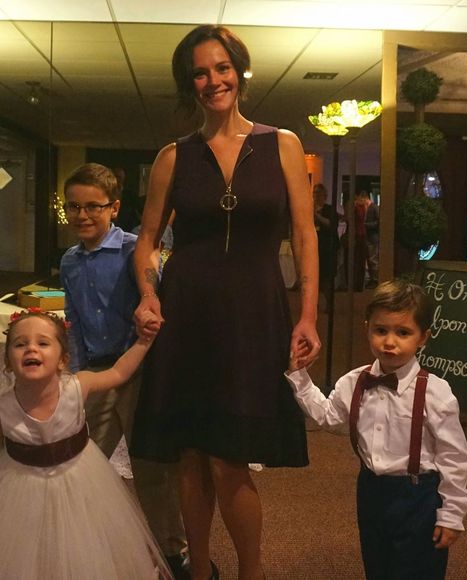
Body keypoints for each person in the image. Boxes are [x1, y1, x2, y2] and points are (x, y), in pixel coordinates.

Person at [130, 24, 321, 580]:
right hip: (187, 313)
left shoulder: (282, 144)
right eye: (200, 73)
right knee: (191, 454)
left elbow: (304, 235)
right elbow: (146, 239)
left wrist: (308, 314)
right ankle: (200, 569)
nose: (213, 80)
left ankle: (250, 572)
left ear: (239, 71)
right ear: (188, 84)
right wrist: (148, 292)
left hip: (254, 313)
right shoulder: (174, 156)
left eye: (222, 68)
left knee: (229, 456)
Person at [0, 308, 170, 579]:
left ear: (63, 360)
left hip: (79, 483)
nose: (31, 348)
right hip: (21, 490)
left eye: (43, 343)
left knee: (82, 548)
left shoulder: (77, 387)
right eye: (20, 344)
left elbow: (118, 373)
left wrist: (143, 341)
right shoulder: (2, 405)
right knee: (25, 554)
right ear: (7, 362)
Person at [286, 280, 467, 580]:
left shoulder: (436, 393)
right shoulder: (354, 382)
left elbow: (455, 459)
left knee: (418, 571)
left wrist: (451, 515)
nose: (389, 342)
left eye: (403, 333)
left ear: (423, 337)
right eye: (381, 330)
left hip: (418, 498)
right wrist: (300, 376)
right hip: (371, 491)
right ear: (367, 328)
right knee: (377, 564)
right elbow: (328, 416)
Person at [59, 163, 188, 578]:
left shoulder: (136, 251)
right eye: (73, 206)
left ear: (113, 207)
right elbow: (74, 321)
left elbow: (159, 304)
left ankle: (173, 553)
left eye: (92, 207)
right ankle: (83, 547)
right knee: (81, 465)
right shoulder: (69, 261)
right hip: (96, 375)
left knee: (152, 471)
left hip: (140, 374)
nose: (82, 215)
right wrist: (76, 376)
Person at [313, 183, 339, 308]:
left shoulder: (330, 209)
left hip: (328, 248)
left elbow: (331, 225)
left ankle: (329, 303)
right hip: (314, 248)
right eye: (314, 193)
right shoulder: (310, 209)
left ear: (325, 196)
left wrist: (317, 216)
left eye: (318, 193)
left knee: (326, 278)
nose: (316, 196)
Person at [353, 190, 379, 290]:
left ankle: (375, 279)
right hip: (366, 237)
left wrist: (366, 225)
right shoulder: (366, 208)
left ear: (365, 198)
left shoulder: (374, 207)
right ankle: (372, 279)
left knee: (373, 259)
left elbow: (378, 222)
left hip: (372, 237)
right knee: (369, 259)